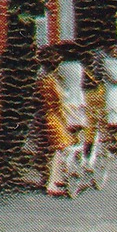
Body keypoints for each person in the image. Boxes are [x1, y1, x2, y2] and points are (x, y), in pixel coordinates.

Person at [36, 47, 76, 197]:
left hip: (44, 116)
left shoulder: (41, 80)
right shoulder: (52, 81)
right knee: (59, 150)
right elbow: (60, 104)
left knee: (49, 150)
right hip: (54, 118)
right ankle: (52, 183)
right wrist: (70, 116)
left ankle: (48, 179)